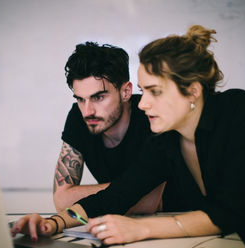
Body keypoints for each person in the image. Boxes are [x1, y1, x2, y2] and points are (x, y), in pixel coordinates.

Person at [12, 26, 245, 248]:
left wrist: (140, 228)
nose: (145, 103)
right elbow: (116, 195)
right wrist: (55, 223)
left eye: (155, 91)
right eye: (144, 91)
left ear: (192, 90)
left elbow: (230, 212)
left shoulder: (243, 114)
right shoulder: (168, 137)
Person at [53, 41, 165, 214]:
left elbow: (151, 202)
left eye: (99, 97)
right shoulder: (78, 116)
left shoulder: (151, 116)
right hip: (117, 225)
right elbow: (61, 201)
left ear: (126, 92)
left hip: (179, 219)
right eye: (81, 99)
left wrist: (81, 197)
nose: (87, 111)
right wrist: (131, 192)